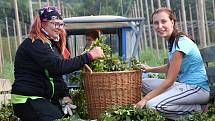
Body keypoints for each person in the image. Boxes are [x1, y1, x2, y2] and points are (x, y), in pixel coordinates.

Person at [11, 6, 104, 121]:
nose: (59, 28)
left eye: (61, 24)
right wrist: (89, 56)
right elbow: (58, 67)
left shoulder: (50, 44)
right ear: (42, 23)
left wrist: (65, 95)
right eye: (55, 24)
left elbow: (55, 75)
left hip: (43, 98)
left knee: (67, 117)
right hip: (28, 99)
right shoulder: (35, 43)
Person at [135, 8, 210, 120]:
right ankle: (184, 106)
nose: (160, 26)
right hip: (185, 87)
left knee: (152, 105)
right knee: (143, 83)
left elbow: (170, 81)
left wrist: (145, 99)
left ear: (172, 22)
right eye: (156, 23)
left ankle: (197, 109)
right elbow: (170, 67)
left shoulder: (180, 43)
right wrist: (149, 69)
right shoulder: (173, 41)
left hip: (197, 89)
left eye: (163, 21)